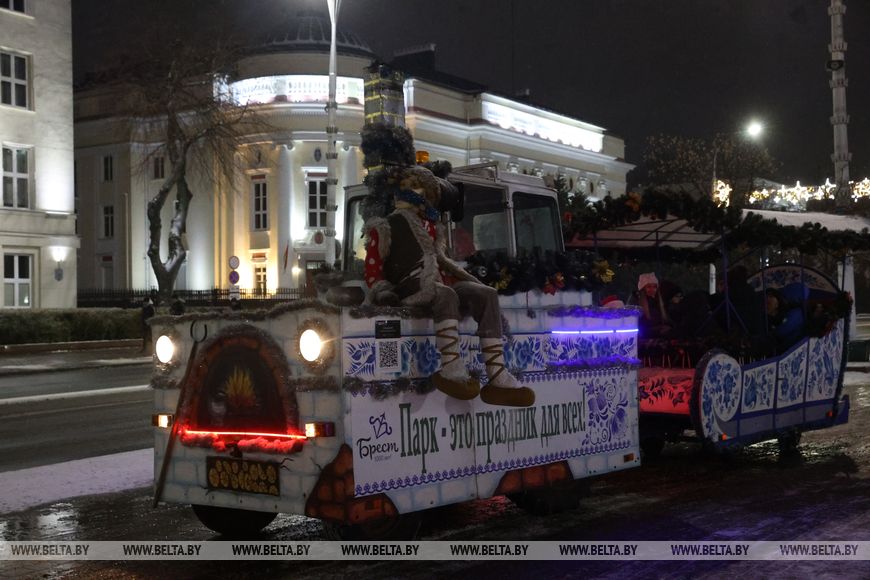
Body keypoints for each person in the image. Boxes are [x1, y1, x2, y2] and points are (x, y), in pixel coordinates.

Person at [364, 165, 535, 407]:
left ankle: (497, 374)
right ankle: (451, 367)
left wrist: (463, 278)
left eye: (417, 186)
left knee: (485, 294)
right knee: (445, 295)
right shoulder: (386, 225)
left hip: (437, 282)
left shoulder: (433, 228)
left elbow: (441, 262)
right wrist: (383, 291)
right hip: (409, 285)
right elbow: (373, 267)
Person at [636, 272, 673, 338]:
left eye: (654, 287)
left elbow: (666, 319)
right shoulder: (638, 304)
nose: (652, 290)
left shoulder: (659, 302)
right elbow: (641, 328)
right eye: (649, 287)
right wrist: (658, 329)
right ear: (643, 288)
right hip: (647, 338)